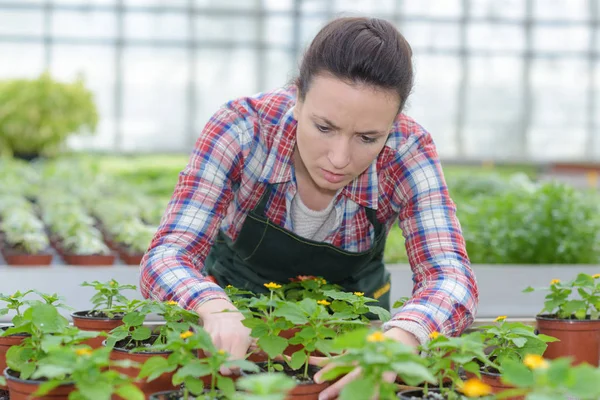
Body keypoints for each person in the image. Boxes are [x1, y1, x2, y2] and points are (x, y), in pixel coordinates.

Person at [140, 16, 478, 400]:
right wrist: (212, 305)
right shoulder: (242, 129)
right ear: (298, 98)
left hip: (353, 332)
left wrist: (401, 337)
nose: (339, 158)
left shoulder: (408, 151)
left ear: (394, 123)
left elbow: (451, 276)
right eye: (324, 127)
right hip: (240, 323)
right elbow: (168, 254)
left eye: (368, 138)